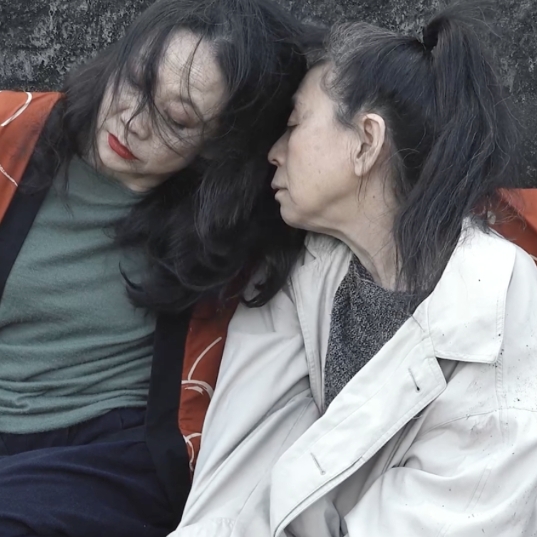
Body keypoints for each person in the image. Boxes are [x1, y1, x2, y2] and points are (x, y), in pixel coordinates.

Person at [173, 4, 537, 537]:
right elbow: (236, 496)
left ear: (366, 142)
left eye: (294, 124)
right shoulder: (305, 274)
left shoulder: (500, 329)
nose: (274, 152)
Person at [0, 0, 312, 535]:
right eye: (135, 80)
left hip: (103, 456)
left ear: (218, 145)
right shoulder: (13, 132)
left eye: (177, 119)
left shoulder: (232, 224)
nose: (133, 121)